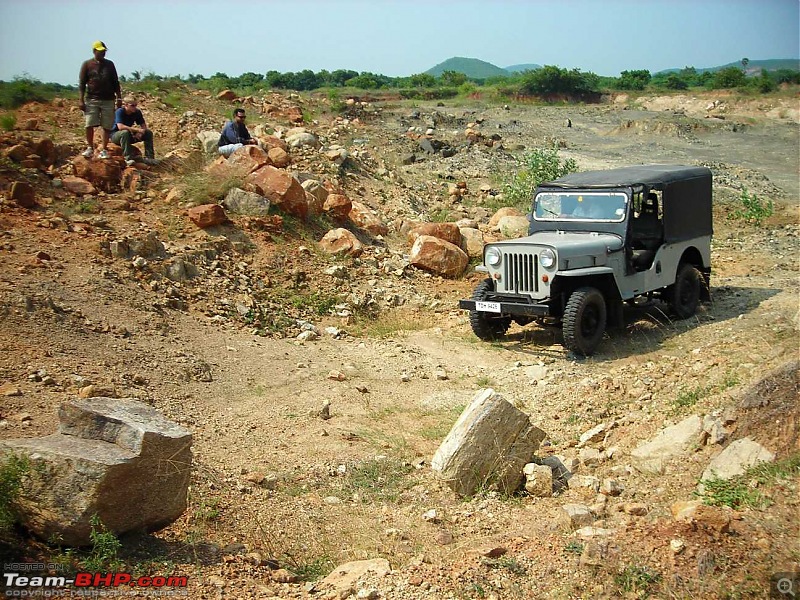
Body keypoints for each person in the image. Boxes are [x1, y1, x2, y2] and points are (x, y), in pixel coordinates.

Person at [78, 41, 122, 160]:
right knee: (89, 123)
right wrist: (81, 100)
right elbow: (82, 83)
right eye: (100, 51)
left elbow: (115, 82)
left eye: (104, 52)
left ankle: (103, 149)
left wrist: (119, 98)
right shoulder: (87, 65)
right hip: (92, 98)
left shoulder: (110, 65)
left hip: (108, 99)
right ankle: (89, 147)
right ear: (94, 51)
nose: (102, 54)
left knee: (106, 125)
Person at [111, 96, 158, 166]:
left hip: (128, 134)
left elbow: (143, 125)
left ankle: (149, 157)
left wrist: (141, 132)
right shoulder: (120, 111)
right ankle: (127, 158)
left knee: (148, 133)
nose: (134, 107)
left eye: (136, 105)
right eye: (132, 105)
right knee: (124, 133)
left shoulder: (137, 112)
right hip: (116, 135)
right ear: (126, 105)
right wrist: (137, 130)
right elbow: (120, 127)